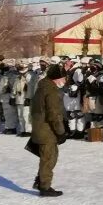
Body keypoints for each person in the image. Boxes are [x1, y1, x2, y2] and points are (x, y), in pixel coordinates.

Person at [30, 63, 69, 197]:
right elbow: (54, 114)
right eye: (64, 78)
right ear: (57, 78)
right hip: (47, 130)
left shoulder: (42, 87)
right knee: (49, 158)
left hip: (40, 127)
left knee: (49, 157)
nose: (65, 81)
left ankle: (41, 181)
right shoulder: (51, 91)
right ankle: (44, 186)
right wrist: (61, 131)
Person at [12, 59, 34, 137]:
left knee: (26, 115)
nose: (19, 68)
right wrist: (13, 96)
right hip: (19, 98)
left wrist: (28, 98)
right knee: (20, 115)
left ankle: (28, 131)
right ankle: (22, 130)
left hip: (26, 98)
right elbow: (15, 86)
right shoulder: (19, 76)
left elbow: (30, 87)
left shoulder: (30, 75)